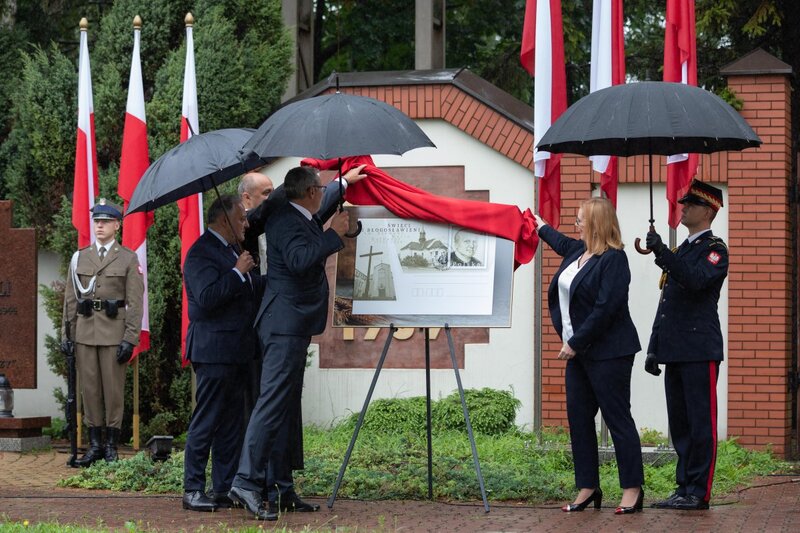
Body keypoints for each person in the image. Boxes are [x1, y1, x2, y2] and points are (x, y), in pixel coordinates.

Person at [229, 165, 365, 521]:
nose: (321, 193)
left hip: (292, 324)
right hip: (283, 325)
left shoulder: (296, 211)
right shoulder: (286, 220)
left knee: (285, 407)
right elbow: (301, 259)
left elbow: (316, 220)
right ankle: (246, 481)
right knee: (272, 404)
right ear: (308, 192)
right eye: (319, 188)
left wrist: (341, 199)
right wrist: (333, 234)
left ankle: (280, 487)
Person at [534, 197, 644, 515]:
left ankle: (632, 490)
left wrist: (576, 342)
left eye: (581, 220)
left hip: (610, 353)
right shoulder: (577, 253)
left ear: (596, 224)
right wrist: (537, 224)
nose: (576, 225)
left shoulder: (614, 260)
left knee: (617, 420)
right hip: (580, 354)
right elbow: (558, 240)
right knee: (579, 420)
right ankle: (588, 487)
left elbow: (605, 309)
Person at [644, 179, 728, 511]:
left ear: (708, 210)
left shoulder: (715, 251)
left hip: (699, 349)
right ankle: (683, 486)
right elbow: (667, 304)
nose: (683, 208)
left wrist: (662, 252)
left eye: (690, 205)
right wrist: (654, 346)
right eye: (683, 203)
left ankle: (699, 491)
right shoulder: (682, 252)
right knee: (680, 424)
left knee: (700, 423)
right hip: (675, 349)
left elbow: (694, 282)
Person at [181, 195, 263, 512]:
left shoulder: (230, 251)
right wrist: (237, 271)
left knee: (231, 425)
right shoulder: (201, 253)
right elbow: (205, 300)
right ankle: (192, 488)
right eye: (241, 218)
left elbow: (250, 291)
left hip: (236, 351)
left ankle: (223, 487)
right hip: (213, 350)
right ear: (223, 220)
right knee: (207, 421)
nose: (245, 223)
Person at [62, 199, 144, 467]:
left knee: (113, 391)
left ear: (117, 225)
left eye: (106, 221)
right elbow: (71, 300)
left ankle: (111, 444)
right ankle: (94, 444)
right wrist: (67, 336)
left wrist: (130, 337)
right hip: (85, 332)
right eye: (97, 221)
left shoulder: (127, 258)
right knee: (90, 390)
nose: (99, 225)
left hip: (113, 333)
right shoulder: (80, 257)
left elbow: (135, 301)